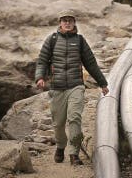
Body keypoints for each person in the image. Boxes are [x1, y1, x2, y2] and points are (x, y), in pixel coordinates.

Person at [35, 9, 109, 166]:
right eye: (64, 20)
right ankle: (61, 146)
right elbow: (42, 61)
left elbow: (91, 64)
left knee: (74, 118)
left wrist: (103, 83)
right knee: (58, 123)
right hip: (57, 88)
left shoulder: (80, 41)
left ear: (74, 22)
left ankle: (74, 154)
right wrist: (40, 77)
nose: (67, 23)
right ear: (60, 23)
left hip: (76, 86)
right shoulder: (52, 40)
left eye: (70, 20)